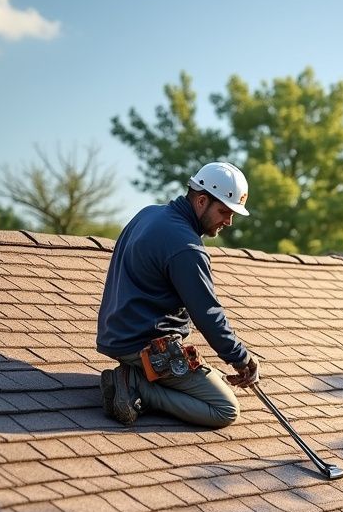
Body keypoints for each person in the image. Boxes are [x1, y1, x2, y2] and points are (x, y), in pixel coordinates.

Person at [96, 162, 259, 428]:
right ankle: (135, 383)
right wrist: (241, 358)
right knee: (225, 408)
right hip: (142, 345)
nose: (229, 221)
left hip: (117, 333)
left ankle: (139, 377)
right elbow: (207, 313)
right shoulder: (186, 246)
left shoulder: (149, 214)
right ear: (202, 200)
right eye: (224, 211)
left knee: (209, 379)